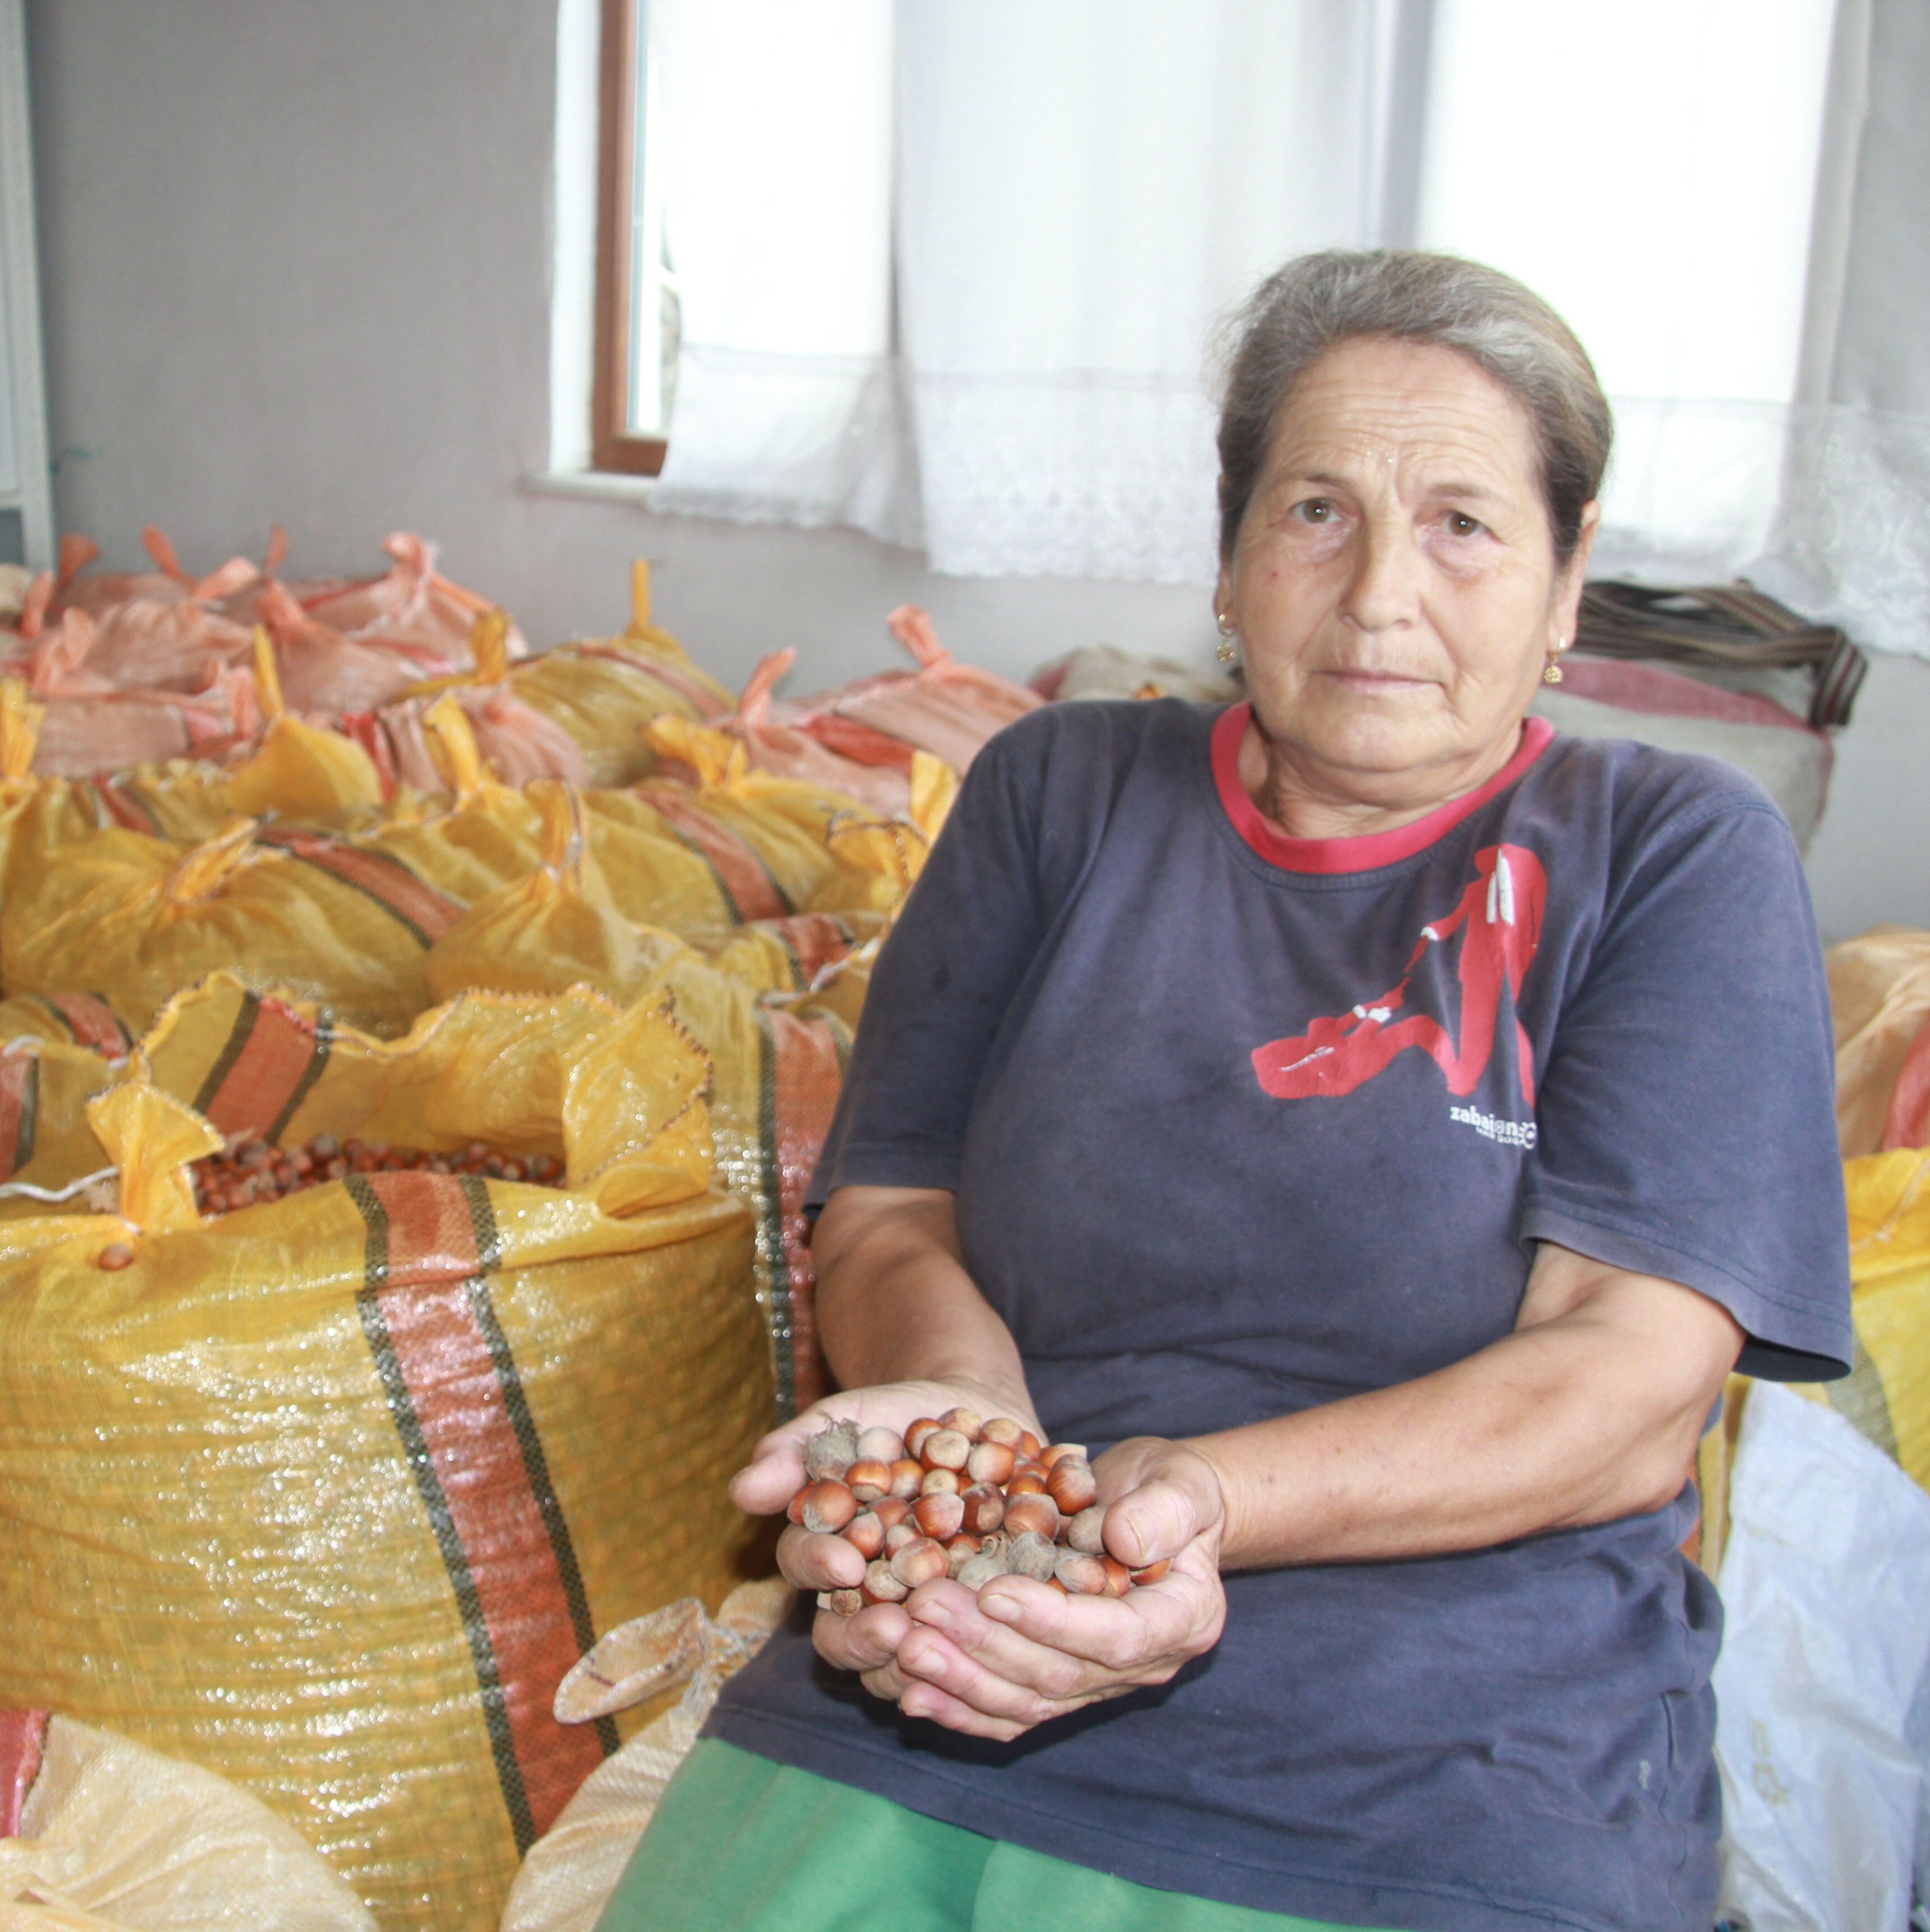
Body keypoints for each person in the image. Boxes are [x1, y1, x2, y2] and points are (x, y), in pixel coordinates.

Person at [598, 249, 1853, 1932]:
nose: (1381, 594)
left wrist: (1187, 1513)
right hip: (954, 1649)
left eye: (1467, 524)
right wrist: (975, 1438)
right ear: (1231, 556)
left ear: (1569, 583)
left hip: (1438, 1761)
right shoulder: (1059, 793)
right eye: (1319, 511)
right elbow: (892, 1212)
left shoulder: (1669, 857)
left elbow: (1624, 1395)